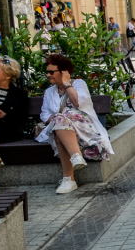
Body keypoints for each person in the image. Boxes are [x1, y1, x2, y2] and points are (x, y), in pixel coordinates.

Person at [37, 54, 114, 194]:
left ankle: (69, 179)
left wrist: (67, 84)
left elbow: (78, 103)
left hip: (84, 130)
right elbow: (44, 115)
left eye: (51, 72)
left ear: (64, 72)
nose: (48, 75)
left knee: (59, 124)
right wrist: (58, 119)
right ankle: (76, 156)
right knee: (59, 122)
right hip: (62, 131)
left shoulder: (78, 84)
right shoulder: (49, 92)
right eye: (47, 72)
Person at [0, 56, 30, 169]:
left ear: (8, 76)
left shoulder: (19, 95)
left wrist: (5, 115)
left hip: (5, 130)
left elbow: (21, 119)